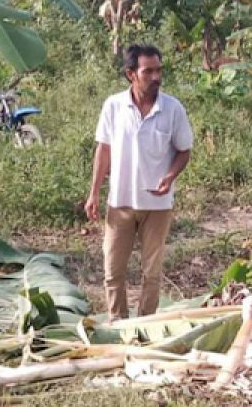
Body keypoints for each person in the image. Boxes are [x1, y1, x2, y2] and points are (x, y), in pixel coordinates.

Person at [85, 44, 193, 319]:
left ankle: (145, 326)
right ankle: (117, 323)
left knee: (152, 273)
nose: (156, 77)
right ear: (131, 74)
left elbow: (184, 150)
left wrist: (170, 176)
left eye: (159, 70)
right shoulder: (114, 106)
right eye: (148, 71)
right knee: (113, 271)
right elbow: (104, 149)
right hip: (120, 201)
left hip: (157, 206)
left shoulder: (172, 109)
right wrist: (94, 193)